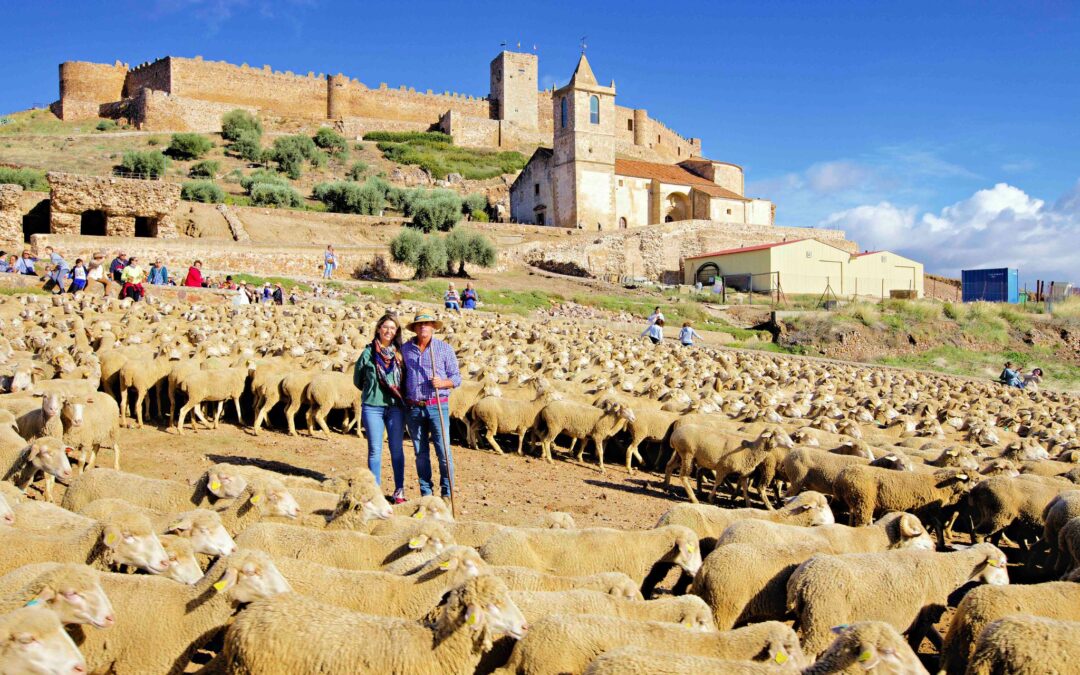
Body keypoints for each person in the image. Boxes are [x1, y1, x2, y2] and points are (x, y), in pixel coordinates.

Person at [401, 313, 460, 499]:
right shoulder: (405, 349)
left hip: (437, 406)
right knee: (420, 453)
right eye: (419, 325)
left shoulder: (444, 349)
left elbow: (457, 378)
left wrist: (442, 383)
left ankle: (447, 493)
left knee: (443, 451)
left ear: (433, 327)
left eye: (426, 324)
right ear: (414, 328)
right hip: (414, 407)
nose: (423, 327)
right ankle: (426, 493)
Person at [354, 313, 407, 504]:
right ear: (378, 328)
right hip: (372, 407)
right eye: (386, 327)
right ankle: (375, 491)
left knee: (396, 449)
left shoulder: (400, 354)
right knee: (375, 449)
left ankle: (399, 490)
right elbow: (358, 380)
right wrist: (372, 390)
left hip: (395, 407)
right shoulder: (368, 353)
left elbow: (406, 380)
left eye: (393, 328)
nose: (389, 331)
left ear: (396, 332)